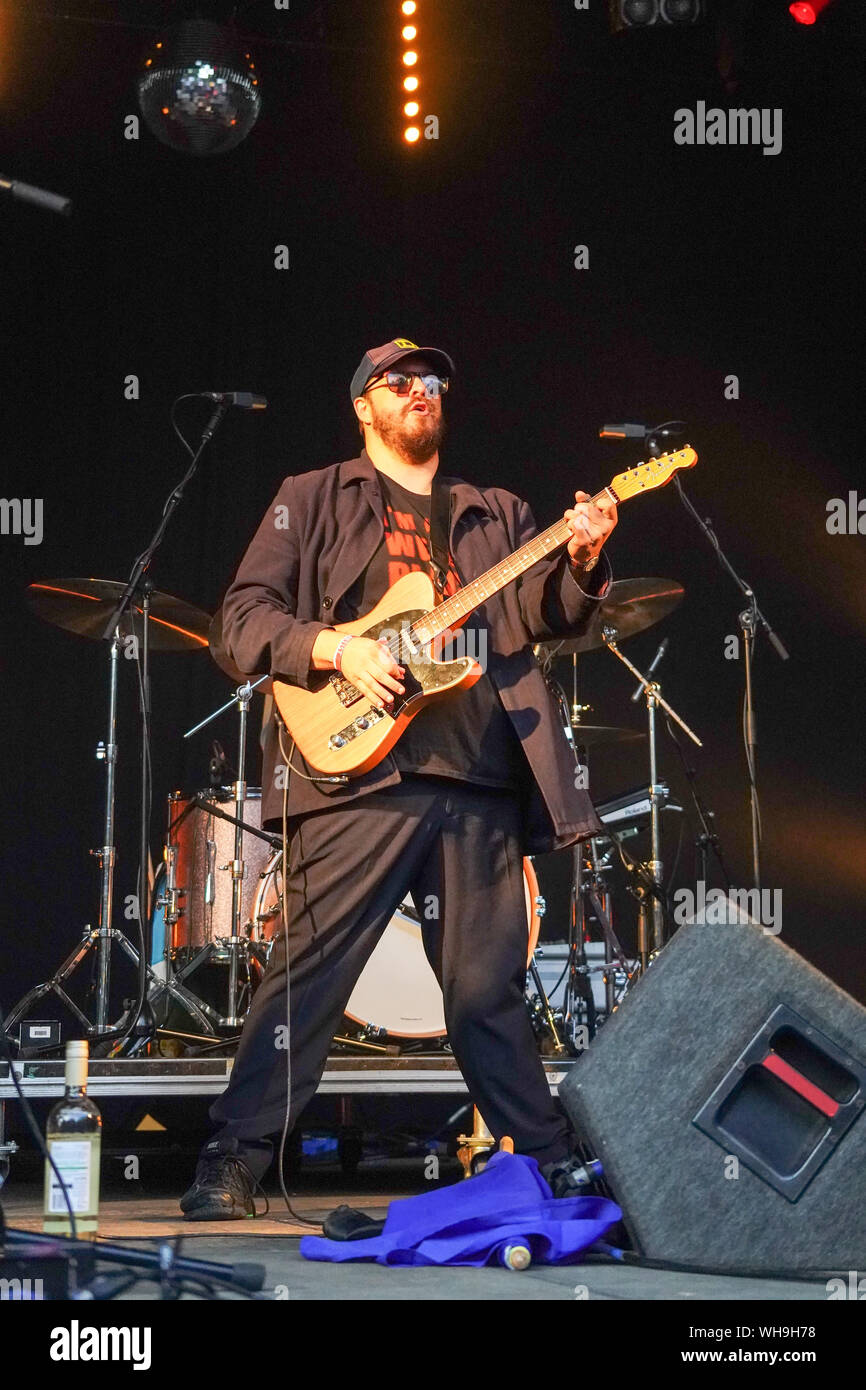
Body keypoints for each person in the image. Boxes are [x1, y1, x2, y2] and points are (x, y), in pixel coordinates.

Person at [180, 338, 618, 1219]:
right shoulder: (310, 499)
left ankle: (552, 1160)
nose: (423, 391)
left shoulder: (494, 512)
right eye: (401, 381)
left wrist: (578, 561)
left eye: (434, 383)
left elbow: (545, 618)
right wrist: (340, 645)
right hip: (359, 775)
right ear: (363, 405)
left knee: (485, 991)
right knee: (308, 976)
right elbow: (241, 624)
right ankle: (233, 1159)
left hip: (480, 778)